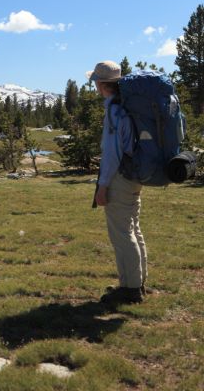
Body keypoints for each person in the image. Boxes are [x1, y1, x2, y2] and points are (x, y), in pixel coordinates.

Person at [87, 60, 148, 304]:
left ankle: (131, 290)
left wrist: (102, 187)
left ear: (101, 84)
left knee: (122, 234)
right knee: (133, 229)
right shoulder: (127, 107)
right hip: (135, 176)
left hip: (120, 178)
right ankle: (138, 282)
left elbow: (112, 154)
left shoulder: (114, 111)